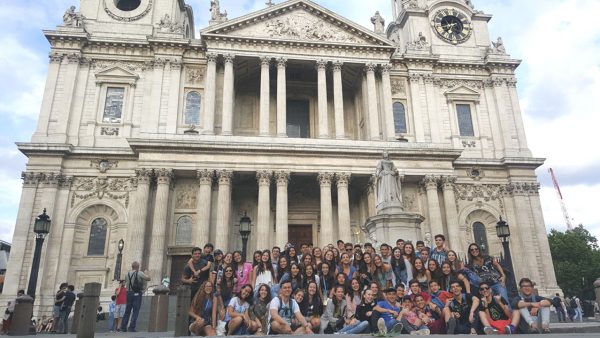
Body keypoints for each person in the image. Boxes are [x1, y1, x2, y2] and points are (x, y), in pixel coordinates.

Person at [120, 262, 150, 332]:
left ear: (132, 266)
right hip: (136, 293)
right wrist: (146, 273)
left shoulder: (127, 274)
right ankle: (131, 327)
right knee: (135, 311)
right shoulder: (139, 273)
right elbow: (148, 279)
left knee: (127, 311)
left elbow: (126, 282)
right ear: (138, 267)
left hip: (128, 293)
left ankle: (123, 327)